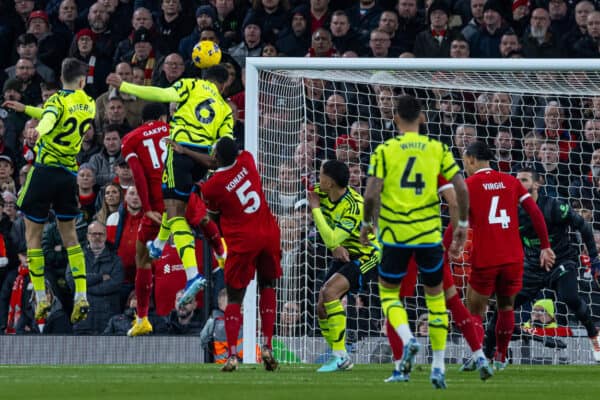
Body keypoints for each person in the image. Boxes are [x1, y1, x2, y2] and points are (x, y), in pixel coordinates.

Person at [360, 95, 470, 389]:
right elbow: (460, 188)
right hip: (429, 237)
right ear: (422, 118)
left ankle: (407, 344)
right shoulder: (437, 149)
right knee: (436, 300)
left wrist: (367, 223)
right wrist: (461, 225)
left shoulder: (385, 150)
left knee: (390, 297)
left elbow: (371, 194)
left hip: (395, 237)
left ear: (395, 118)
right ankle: (438, 367)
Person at [106, 65, 233, 309]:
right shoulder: (226, 110)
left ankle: (193, 274)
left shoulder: (192, 85)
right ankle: (161, 245)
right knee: (177, 205)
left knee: (175, 214)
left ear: (203, 76)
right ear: (225, 85)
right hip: (202, 161)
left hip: (180, 152)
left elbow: (162, 95)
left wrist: (125, 86)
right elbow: (224, 146)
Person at [2, 58, 95, 324]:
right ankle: (81, 294)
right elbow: (55, 115)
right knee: (71, 239)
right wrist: (28, 108)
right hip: (69, 176)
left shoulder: (55, 102)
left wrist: (37, 132)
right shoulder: (87, 103)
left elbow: (51, 116)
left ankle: (41, 296)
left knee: (33, 236)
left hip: (44, 173)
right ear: (81, 81)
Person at [121, 103, 225, 336]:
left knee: (143, 258)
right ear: (163, 117)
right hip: (181, 191)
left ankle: (142, 318)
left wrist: (146, 208)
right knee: (203, 220)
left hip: (157, 200)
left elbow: (137, 173)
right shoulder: (175, 130)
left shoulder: (130, 138)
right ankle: (221, 254)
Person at [483, 167, 600, 362]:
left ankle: (593, 334)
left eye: (524, 180)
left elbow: (583, 226)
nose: (517, 183)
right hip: (532, 267)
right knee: (503, 305)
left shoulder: (553, 207)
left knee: (569, 297)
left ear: (538, 183)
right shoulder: (511, 211)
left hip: (561, 261)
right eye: (516, 180)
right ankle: (484, 355)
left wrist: (595, 260)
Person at [458, 142, 555, 371]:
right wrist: (545, 246)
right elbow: (535, 212)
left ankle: (479, 355)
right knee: (506, 307)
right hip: (513, 258)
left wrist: (444, 247)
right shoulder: (511, 181)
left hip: (486, 258)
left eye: (464, 162)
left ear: (471, 159)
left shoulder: (468, 185)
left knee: (474, 310)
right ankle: (501, 357)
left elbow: (458, 222)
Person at [200, 137, 281, 372]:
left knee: (235, 297)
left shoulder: (211, 186)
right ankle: (267, 345)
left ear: (216, 157)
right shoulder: (247, 160)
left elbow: (213, 218)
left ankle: (232, 355)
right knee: (268, 286)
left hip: (243, 241)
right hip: (268, 233)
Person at [307, 159, 379, 372]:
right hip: (344, 256)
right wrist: (335, 246)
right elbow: (332, 241)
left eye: (320, 175)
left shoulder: (354, 205)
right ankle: (337, 354)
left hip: (367, 256)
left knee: (330, 292)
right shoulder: (321, 191)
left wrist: (316, 211)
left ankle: (341, 357)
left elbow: (331, 239)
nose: (317, 178)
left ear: (330, 182)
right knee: (321, 306)